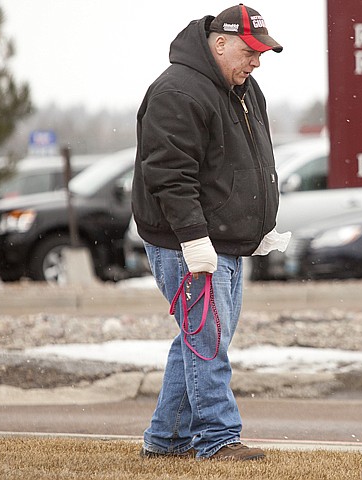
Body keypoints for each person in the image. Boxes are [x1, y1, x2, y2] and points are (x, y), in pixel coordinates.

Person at [131, 4, 289, 461]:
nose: (256, 61)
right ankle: (218, 438)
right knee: (208, 342)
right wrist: (195, 239)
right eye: (249, 51)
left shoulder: (242, 87)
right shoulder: (177, 91)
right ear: (219, 43)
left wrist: (257, 227)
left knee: (201, 340)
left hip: (223, 242)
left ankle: (167, 439)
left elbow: (246, 163)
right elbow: (169, 175)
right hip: (190, 242)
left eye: (261, 53)